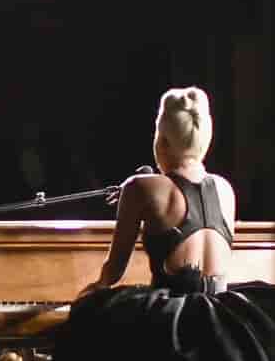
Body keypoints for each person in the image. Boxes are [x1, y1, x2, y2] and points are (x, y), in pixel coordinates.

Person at [53, 86, 275, 361]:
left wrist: (88, 294)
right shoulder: (225, 188)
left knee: (87, 319)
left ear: (162, 140)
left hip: (173, 324)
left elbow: (113, 272)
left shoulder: (139, 187)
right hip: (225, 322)